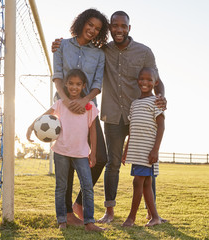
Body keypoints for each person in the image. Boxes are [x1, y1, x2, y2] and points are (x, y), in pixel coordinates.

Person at [52, 10, 167, 223]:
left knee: (145, 161)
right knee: (109, 163)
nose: (119, 30)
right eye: (115, 26)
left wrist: (161, 97)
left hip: (137, 115)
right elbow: (64, 71)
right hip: (110, 114)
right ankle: (102, 211)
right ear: (110, 29)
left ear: (129, 28)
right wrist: (57, 45)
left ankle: (153, 213)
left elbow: (157, 80)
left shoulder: (138, 52)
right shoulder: (98, 50)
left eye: (123, 26)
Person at [27, 69, 104, 231]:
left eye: (78, 84)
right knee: (61, 186)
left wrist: (93, 153)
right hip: (61, 152)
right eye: (70, 84)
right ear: (65, 85)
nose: (74, 87)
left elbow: (93, 132)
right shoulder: (60, 104)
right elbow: (43, 117)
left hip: (81, 154)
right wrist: (30, 127)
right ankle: (62, 219)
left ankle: (89, 222)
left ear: (83, 85)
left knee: (87, 186)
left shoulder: (90, 108)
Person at [52, 8, 109, 225]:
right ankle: (66, 213)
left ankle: (79, 202)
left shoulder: (99, 54)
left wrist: (84, 101)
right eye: (90, 25)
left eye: (98, 28)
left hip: (87, 111)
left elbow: (96, 86)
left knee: (100, 157)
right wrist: (67, 101)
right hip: (64, 110)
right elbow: (57, 77)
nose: (93, 30)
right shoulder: (62, 46)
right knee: (65, 159)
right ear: (82, 22)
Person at [121, 67, 165, 227]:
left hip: (148, 152)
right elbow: (131, 130)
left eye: (149, 80)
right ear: (137, 80)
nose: (145, 82)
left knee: (137, 182)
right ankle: (155, 217)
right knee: (146, 184)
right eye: (142, 79)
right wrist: (126, 151)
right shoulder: (134, 104)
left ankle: (131, 218)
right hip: (136, 152)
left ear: (155, 83)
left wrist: (155, 150)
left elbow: (161, 127)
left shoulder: (156, 102)